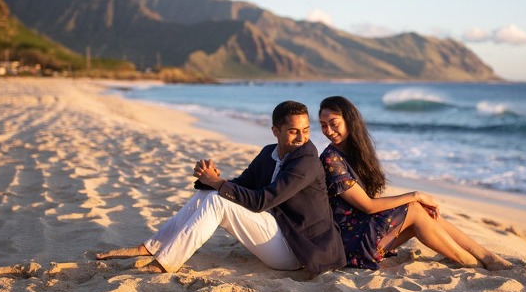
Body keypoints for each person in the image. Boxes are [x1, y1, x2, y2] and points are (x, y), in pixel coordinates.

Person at [96, 101, 346, 274]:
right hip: (278, 232)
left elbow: (262, 201)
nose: (302, 138)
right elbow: (242, 184)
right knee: (211, 194)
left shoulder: (306, 161)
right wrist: (209, 180)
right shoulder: (269, 153)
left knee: (218, 198)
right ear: (275, 131)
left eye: (305, 130)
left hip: (298, 250)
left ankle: (166, 262)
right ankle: (152, 246)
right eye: (293, 131)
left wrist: (218, 184)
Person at [318, 96, 512, 271]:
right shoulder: (330, 159)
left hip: (361, 232)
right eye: (324, 125)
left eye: (334, 124)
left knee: (422, 213)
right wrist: (415, 195)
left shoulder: (356, 153)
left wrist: (413, 201)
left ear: (350, 121)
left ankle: (486, 256)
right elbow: (368, 206)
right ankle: (470, 262)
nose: (329, 131)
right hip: (348, 242)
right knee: (415, 208)